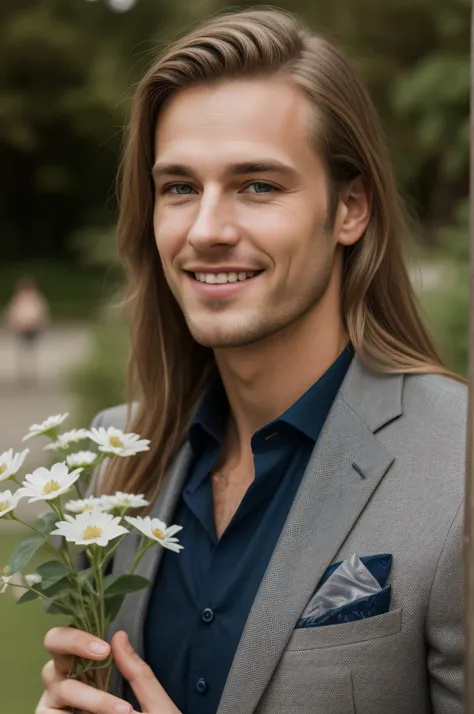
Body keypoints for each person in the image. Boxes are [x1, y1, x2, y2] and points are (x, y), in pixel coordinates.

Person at [37, 8, 465, 714]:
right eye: (179, 187)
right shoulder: (108, 467)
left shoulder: (457, 463)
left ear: (350, 208)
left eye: (257, 185)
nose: (206, 230)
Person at [6, 277, 49, 386]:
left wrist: (37, 323)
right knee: (25, 350)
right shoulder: (19, 299)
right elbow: (13, 313)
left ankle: (29, 373)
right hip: (23, 326)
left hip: (31, 326)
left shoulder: (34, 298)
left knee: (30, 350)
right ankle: (25, 373)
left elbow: (40, 312)